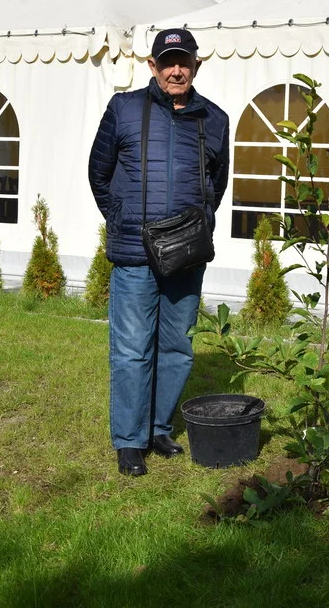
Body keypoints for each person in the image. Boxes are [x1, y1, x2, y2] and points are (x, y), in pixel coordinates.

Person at [88, 28, 230, 476]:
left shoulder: (217, 119)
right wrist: (122, 216)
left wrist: (200, 221)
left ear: (196, 65)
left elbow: (217, 183)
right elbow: (99, 172)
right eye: (167, 61)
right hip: (135, 251)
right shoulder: (124, 108)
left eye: (183, 61)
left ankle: (158, 426)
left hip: (186, 251)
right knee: (131, 349)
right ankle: (130, 441)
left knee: (176, 346)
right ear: (151, 65)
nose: (176, 69)